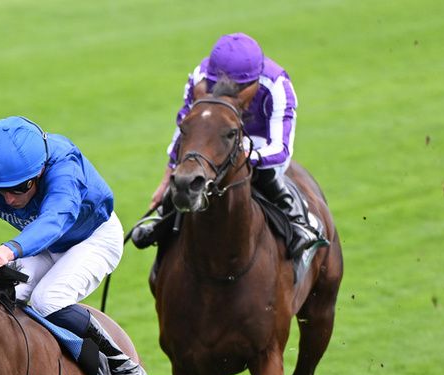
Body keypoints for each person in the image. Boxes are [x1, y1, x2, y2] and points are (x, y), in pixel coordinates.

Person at [0, 116, 146, 375]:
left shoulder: (64, 164)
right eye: (0, 191)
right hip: (43, 244)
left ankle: (123, 368)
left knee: (48, 299)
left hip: (93, 238)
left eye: (20, 188)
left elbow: (55, 218)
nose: (9, 199)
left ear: (40, 171)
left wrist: (8, 251)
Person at [131, 32, 327, 261]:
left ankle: (297, 220)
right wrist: (167, 178)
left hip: (258, 139)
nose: (226, 91)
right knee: (191, 165)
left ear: (254, 82)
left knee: (267, 173)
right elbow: (184, 126)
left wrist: (245, 156)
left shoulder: (276, 85)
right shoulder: (201, 76)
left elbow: (281, 150)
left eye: (238, 87)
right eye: (217, 85)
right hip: (215, 133)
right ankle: (163, 215)